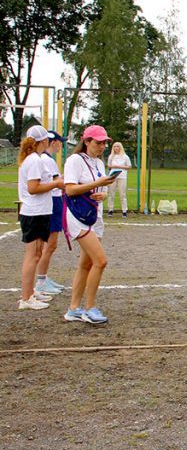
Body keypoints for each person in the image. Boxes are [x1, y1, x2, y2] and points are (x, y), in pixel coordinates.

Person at [63, 125, 119, 324]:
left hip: (94, 215)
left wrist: (102, 193)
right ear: (86, 141)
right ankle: (89, 308)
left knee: (85, 264)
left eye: (104, 143)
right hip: (77, 216)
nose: (102, 146)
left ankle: (73, 309)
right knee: (100, 261)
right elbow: (70, 190)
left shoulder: (99, 163)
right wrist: (97, 185)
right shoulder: (74, 161)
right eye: (98, 142)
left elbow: (99, 188)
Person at [16, 126, 63, 311]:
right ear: (44, 141)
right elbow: (33, 188)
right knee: (32, 255)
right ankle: (26, 298)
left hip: (38, 211)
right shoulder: (35, 160)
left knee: (36, 254)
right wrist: (56, 184)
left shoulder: (33, 158)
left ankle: (30, 293)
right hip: (34, 212)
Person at [34, 131, 68, 299]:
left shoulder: (45, 159)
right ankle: (41, 280)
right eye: (60, 141)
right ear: (53, 142)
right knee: (50, 244)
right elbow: (57, 183)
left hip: (52, 200)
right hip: (53, 201)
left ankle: (43, 277)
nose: (61, 145)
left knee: (48, 244)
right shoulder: (47, 160)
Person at [106, 141, 131, 217]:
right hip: (113, 176)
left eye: (118, 146)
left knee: (122, 194)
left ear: (120, 147)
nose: (116, 148)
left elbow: (129, 166)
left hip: (122, 176)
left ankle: (124, 210)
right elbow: (109, 166)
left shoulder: (125, 157)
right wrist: (113, 167)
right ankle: (110, 210)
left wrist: (119, 167)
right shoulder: (111, 156)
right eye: (115, 146)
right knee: (111, 193)